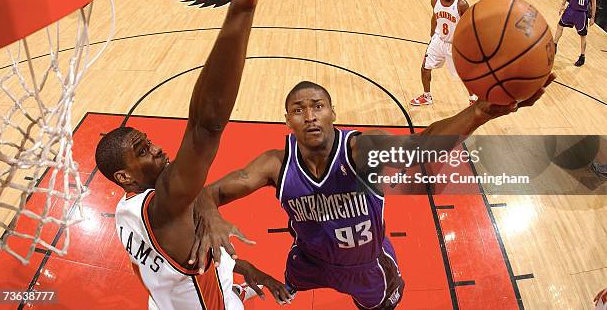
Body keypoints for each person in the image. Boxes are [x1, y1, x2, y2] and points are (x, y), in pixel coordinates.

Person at [191, 75, 554, 310]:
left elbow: (422, 146)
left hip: (367, 266)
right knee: (287, 287)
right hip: (310, 259)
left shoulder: (359, 150)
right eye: (298, 110)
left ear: (333, 112)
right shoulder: (275, 163)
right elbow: (211, 192)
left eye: (318, 106)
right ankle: (245, 290)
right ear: (287, 121)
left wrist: (479, 113)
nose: (310, 116)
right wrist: (210, 214)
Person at [95, 0, 292, 309]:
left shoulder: (126, 213)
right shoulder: (164, 204)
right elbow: (206, 125)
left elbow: (184, 255)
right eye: (143, 152)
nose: (158, 150)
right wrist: (242, 6)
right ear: (125, 177)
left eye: (148, 142)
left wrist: (245, 269)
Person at [410, 0, 478, 107]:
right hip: (439, 40)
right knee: (425, 68)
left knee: (464, 73)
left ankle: (473, 98)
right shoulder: (435, 0)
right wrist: (432, 32)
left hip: (454, 44)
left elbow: (468, 24)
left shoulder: (461, 4)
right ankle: (427, 96)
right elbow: (435, 16)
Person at [554, 0, 597, 67]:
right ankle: (554, 45)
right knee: (560, 25)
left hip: (581, 14)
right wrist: (562, 4)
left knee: (582, 35)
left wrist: (593, 17)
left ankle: (582, 56)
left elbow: (593, 1)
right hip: (570, 9)